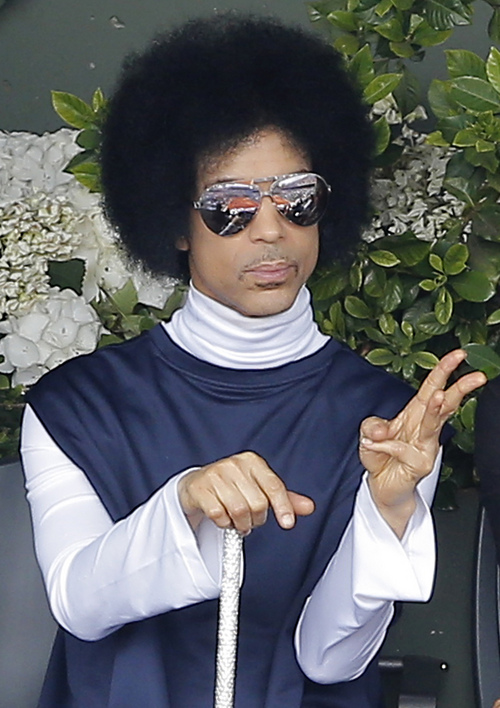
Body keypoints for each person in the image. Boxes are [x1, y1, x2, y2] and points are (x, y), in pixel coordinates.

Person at [20, 14, 485, 708]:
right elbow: (80, 604)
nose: (271, 229)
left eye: (298, 198)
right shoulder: (76, 406)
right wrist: (185, 503)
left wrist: (389, 511)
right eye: (230, 206)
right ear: (175, 222)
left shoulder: (392, 423)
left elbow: (331, 661)